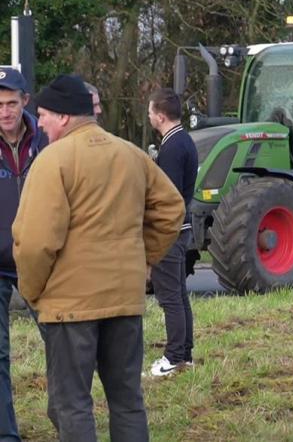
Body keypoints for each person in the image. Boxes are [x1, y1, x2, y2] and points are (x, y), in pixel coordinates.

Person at [12, 74, 184, 442]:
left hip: (69, 305)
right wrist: (144, 259)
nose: (38, 122)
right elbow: (171, 209)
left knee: (72, 404)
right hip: (124, 300)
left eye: (42, 115)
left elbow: (35, 241)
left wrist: (32, 290)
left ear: (63, 116)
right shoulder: (131, 154)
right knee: (127, 400)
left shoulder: (52, 160)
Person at [0, 67, 47, 441]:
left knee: (61, 347)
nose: (4, 111)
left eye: (11, 103)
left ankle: (70, 422)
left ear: (25, 101)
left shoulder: (48, 139)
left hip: (40, 261)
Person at [147, 88, 198, 377]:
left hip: (170, 231)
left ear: (161, 115)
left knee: (170, 298)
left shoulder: (172, 148)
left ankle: (174, 356)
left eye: (151, 112)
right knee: (179, 294)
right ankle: (184, 354)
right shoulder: (183, 141)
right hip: (181, 227)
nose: (150, 117)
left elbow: (168, 195)